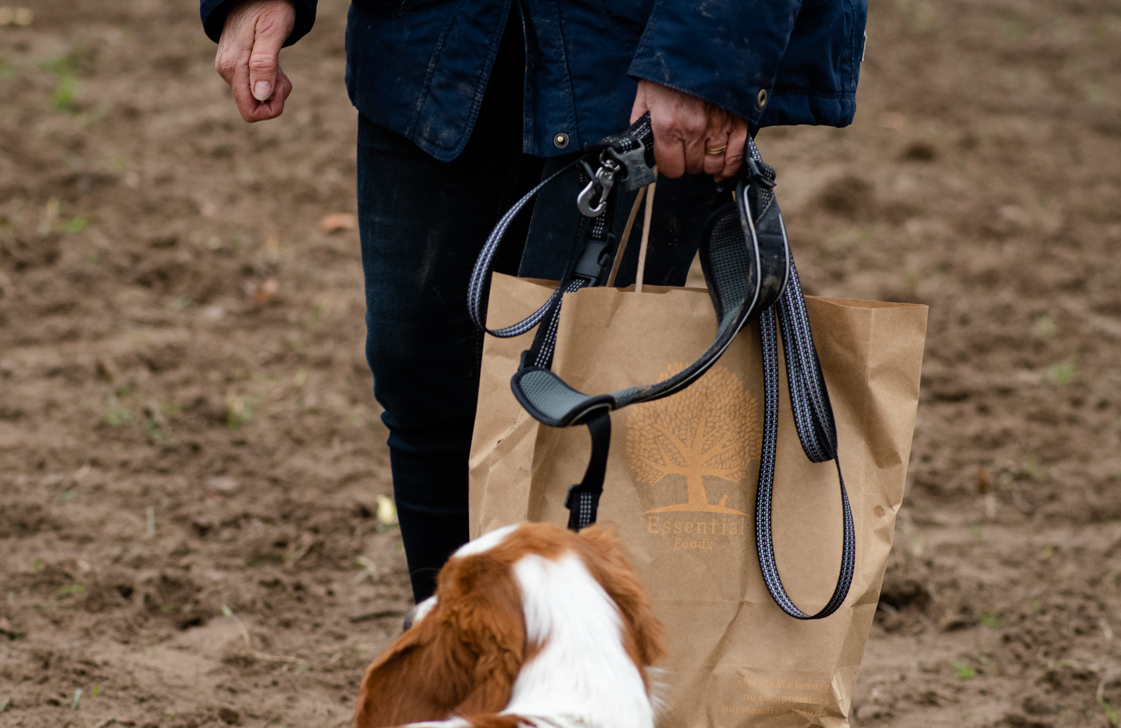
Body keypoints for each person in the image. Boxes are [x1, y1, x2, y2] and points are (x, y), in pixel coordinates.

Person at [203, 0, 866, 602]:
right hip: (432, 35)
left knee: (585, 399)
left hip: (637, 50)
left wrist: (705, 52)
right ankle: (464, 686)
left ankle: (573, 709)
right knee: (427, 382)